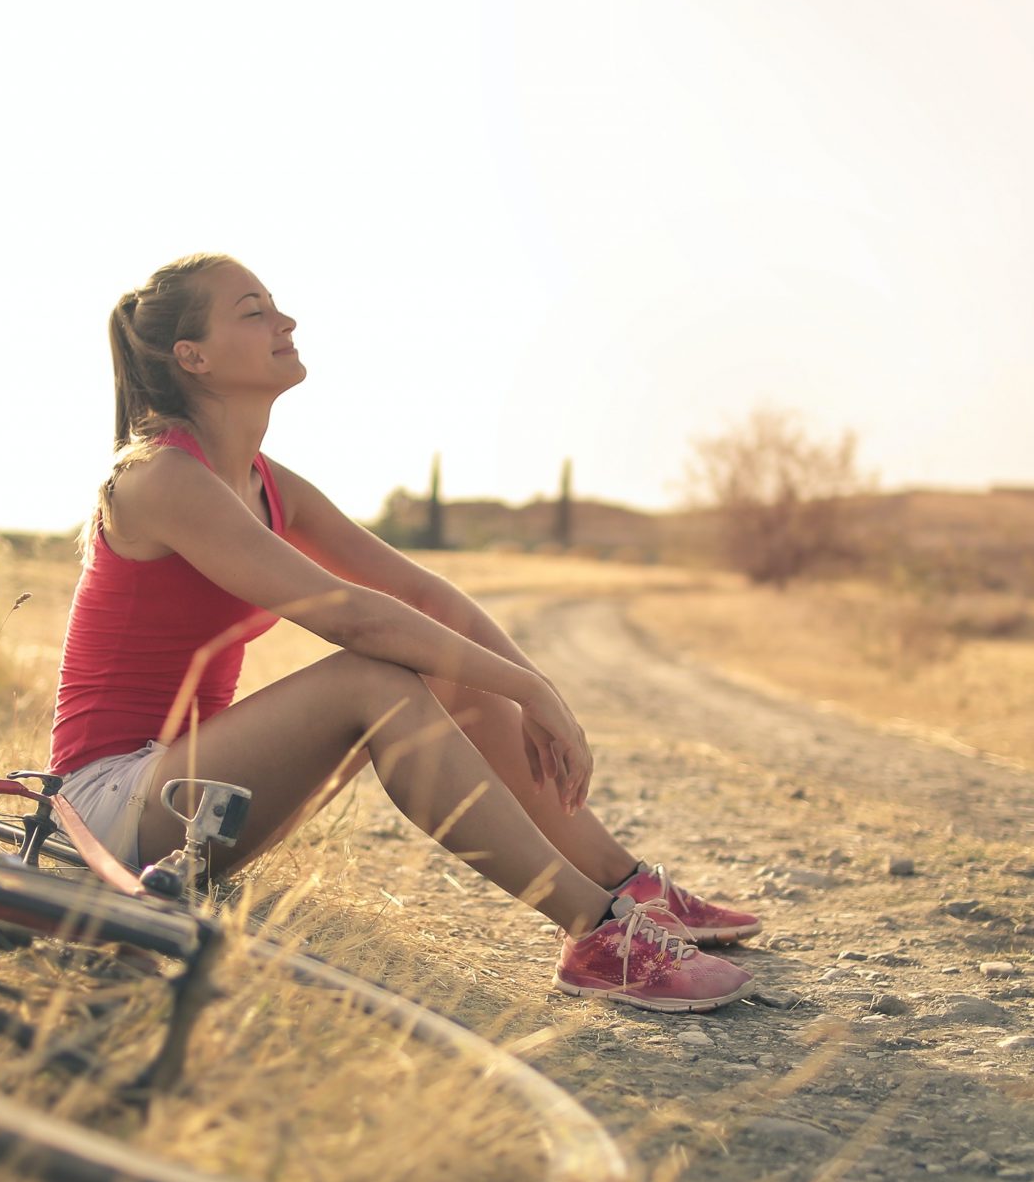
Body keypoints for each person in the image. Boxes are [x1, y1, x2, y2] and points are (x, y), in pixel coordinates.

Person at [49, 253, 761, 1011]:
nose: (284, 322)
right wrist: (525, 687)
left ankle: (628, 888)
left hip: (196, 803)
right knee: (374, 676)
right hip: (106, 809)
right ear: (192, 357)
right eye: (253, 311)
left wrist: (535, 689)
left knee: (451, 664)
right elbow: (349, 613)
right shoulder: (159, 478)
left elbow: (419, 591)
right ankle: (596, 933)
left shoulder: (266, 482)